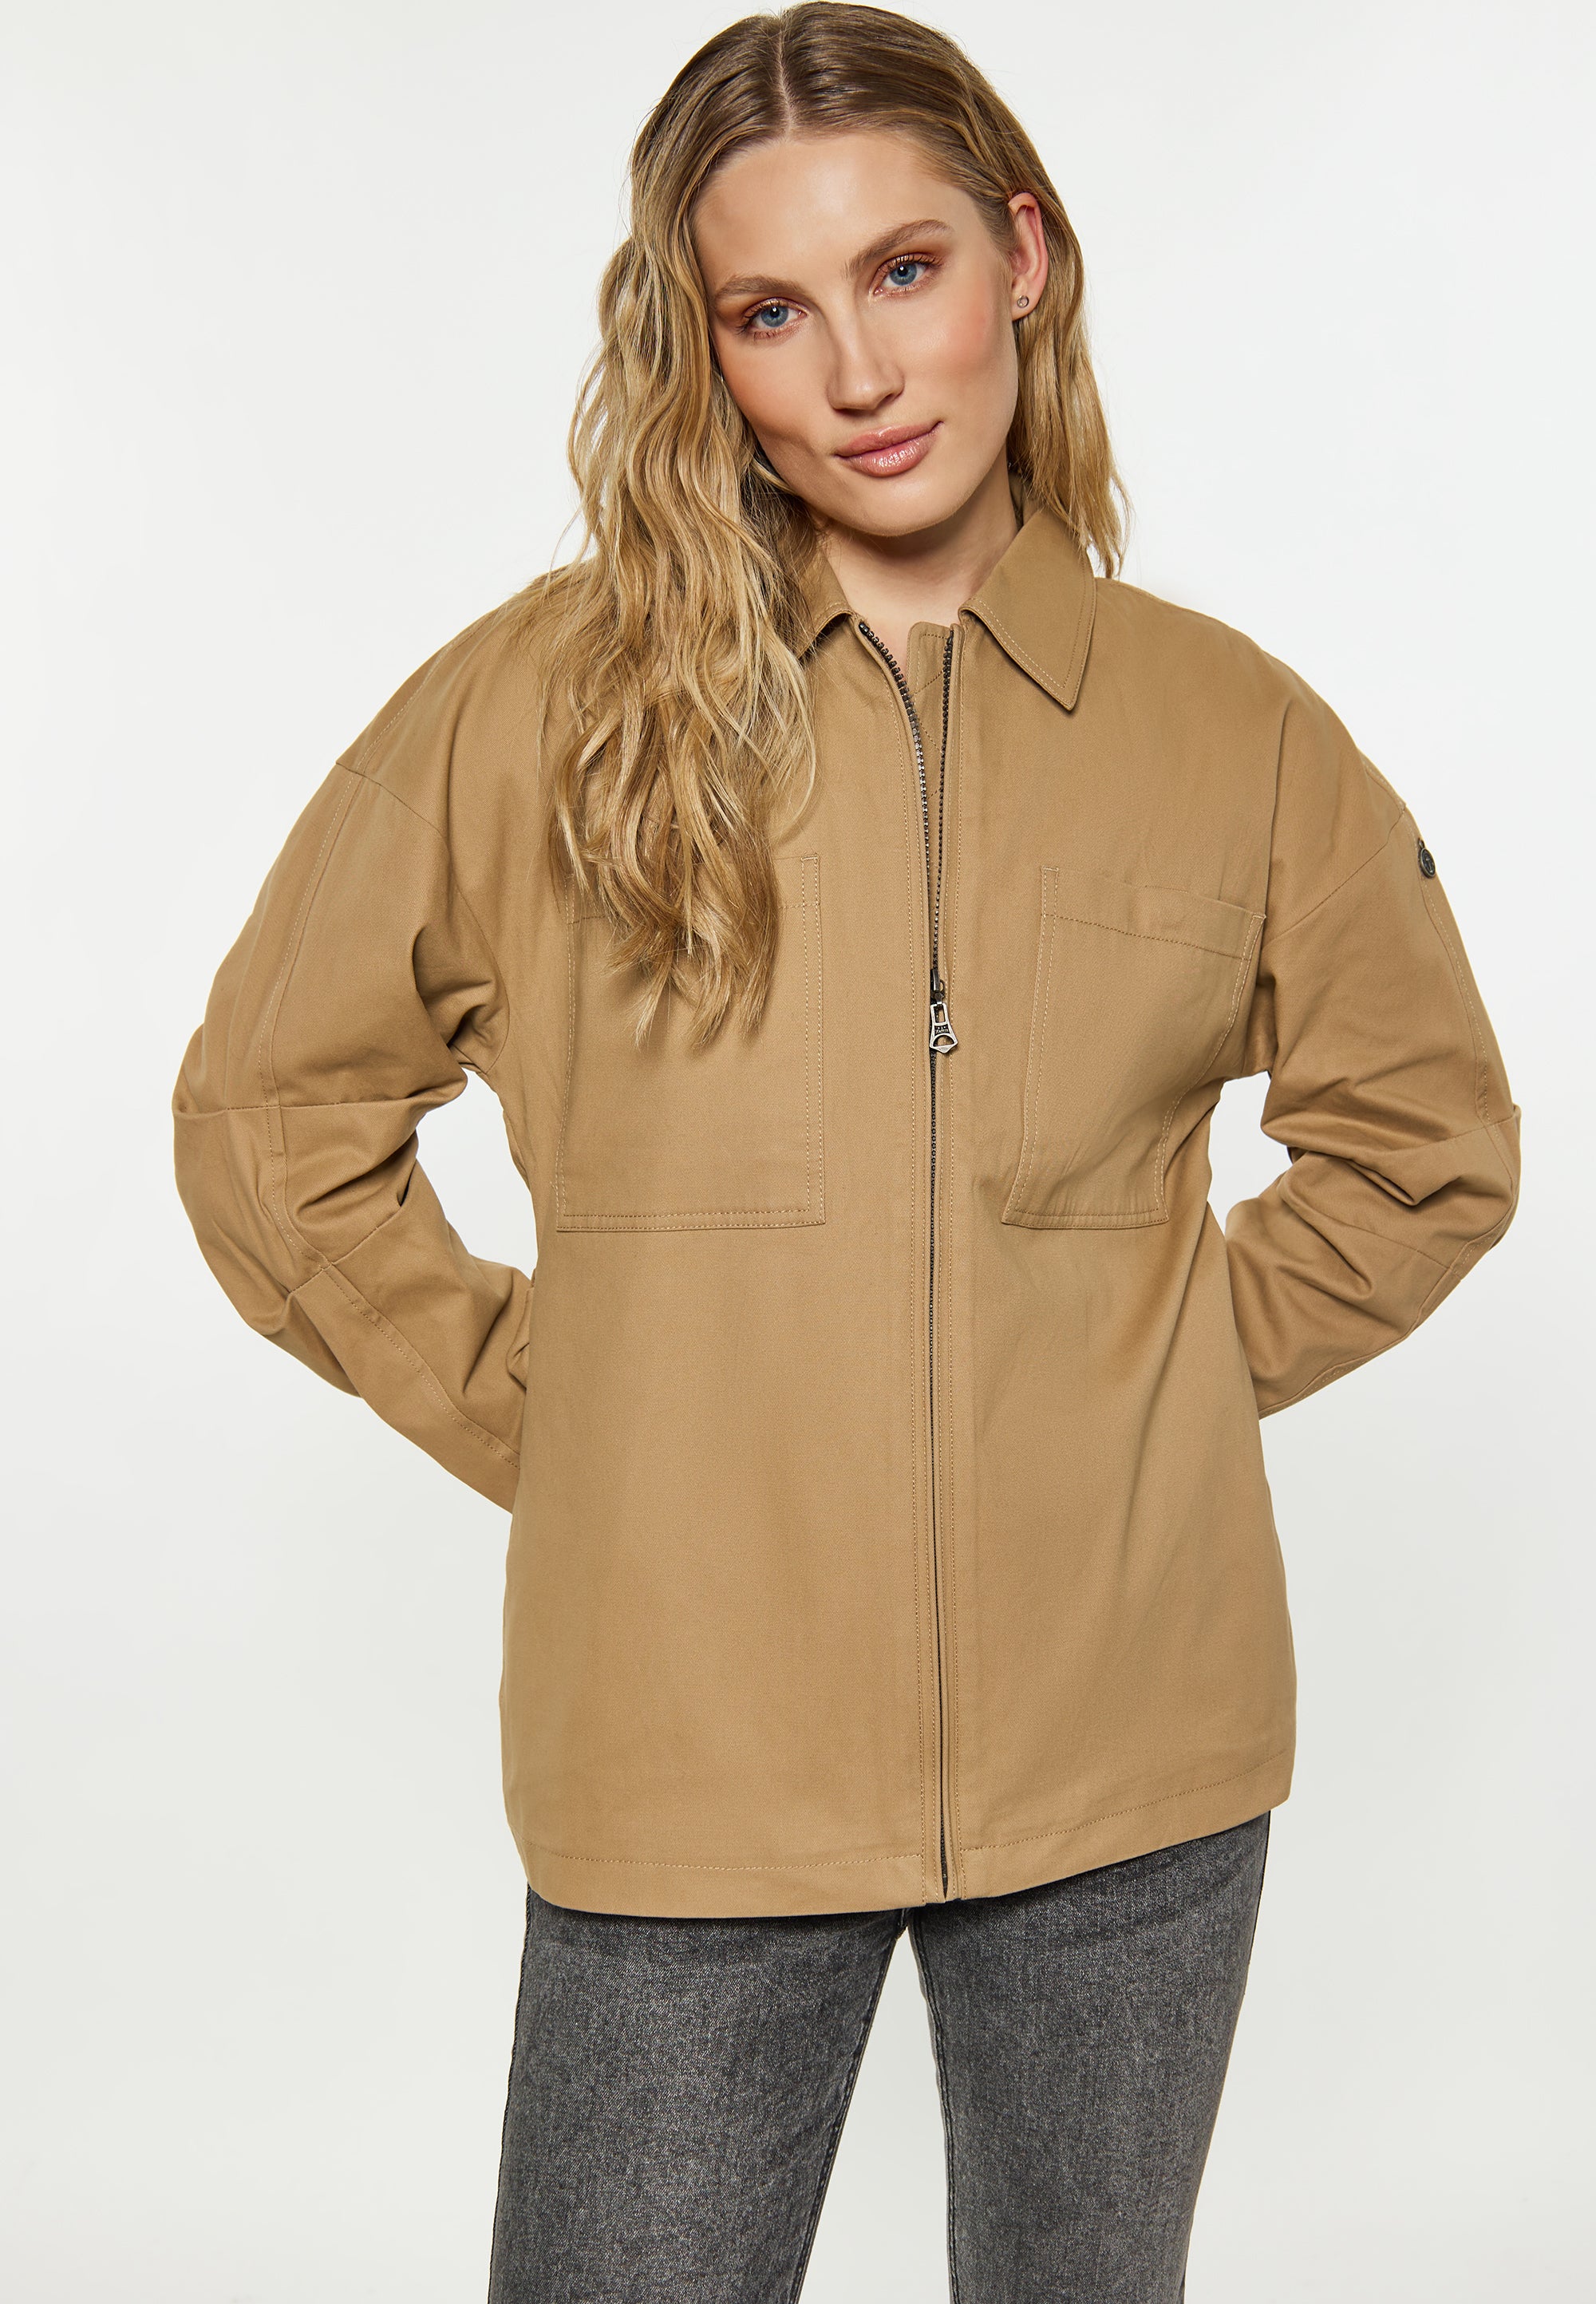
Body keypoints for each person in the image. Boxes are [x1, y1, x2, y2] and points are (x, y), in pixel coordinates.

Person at [172, 6, 1521, 2296]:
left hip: (1136, 1765)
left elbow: (1428, 1148)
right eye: (772, 311)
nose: (864, 373)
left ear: (1025, 259)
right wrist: (572, 1414)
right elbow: (263, 1120)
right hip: (682, 1753)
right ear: (701, 351)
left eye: (906, 271)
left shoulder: (1236, 734)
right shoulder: (538, 708)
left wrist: (1147, 1378)